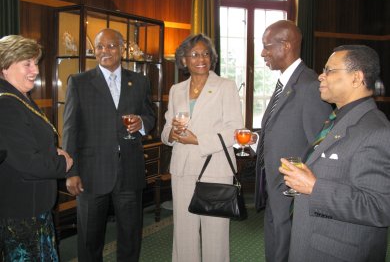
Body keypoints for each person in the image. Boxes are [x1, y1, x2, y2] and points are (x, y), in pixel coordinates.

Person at [280, 45, 390, 262]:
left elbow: (380, 207)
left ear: (356, 78)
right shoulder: (338, 118)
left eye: (330, 70)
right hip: (313, 241)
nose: (321, 76)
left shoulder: (377, 131)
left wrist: (314, 187)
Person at [62, 28, 155, 261]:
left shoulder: (140, 81)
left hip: (129, 172)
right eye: (100, 47)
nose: (105, 51)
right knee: (89, 240)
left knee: (130, 237)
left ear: (122, 48)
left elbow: (151, 115)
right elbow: (70, 130)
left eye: (111, 46)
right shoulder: (79, 82)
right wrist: (70, 171)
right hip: (91, 174)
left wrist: (141, 123)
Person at [254, 20, 332, 262]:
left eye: (267, 46)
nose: (262, 53)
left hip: (292, 191)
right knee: (276, 242)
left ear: (286, 45)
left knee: (287, 249)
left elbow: (319, 147)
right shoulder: (285, 82)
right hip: (275, 185)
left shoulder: (310, 85)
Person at [161, 34, 243, 262]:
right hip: (183, 167)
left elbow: (235, 129)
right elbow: (166, 129)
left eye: (206, 54)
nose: (201, 58)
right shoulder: (177, 89)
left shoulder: (226, 86)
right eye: (195, 54)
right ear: (184, 60)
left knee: (215, 232)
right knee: (184, 231)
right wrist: (172, 134)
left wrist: (198, 140)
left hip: (215, 168)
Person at [0, 35, 73, 261]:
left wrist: (52, 152)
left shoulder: (18, 97)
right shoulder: (6, 104)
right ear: (4, 66)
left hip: (32, 209)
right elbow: (28, 162)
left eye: (36, 63)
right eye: (27, 64)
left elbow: (30, 145)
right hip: (22, 214)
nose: (36, 70)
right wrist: (63, 163)